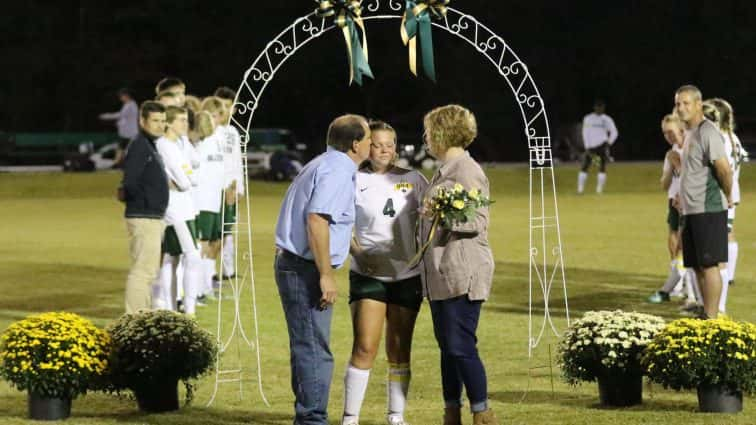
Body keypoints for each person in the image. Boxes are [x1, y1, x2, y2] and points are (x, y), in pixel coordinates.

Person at [274, 114, 371, 425]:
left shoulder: (323, 163)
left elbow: (333, 219)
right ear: (356, 144)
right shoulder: (337, 170)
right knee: (315, 349)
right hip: (305, 268)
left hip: (296, 264)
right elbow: (317, 219)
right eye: (368, 138)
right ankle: (312, 419)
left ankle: (308, 415)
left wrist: (356, 250)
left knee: (307, 346)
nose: (370, 144)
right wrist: (326, 274)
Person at [340, 121, 428, 425]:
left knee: (400, 348)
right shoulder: (352, 179)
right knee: (365, 346)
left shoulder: (415, 179)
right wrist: (359, 254)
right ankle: (350, 418)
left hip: (407, 275)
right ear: (365, 146)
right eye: (378, 144)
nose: (385, 150)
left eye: (390, 143)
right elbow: (340, 224)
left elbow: (431, 222)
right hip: (368, 275)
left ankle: (396, 416)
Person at [418, 105, 498, 425]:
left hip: (462, 272)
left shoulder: (466, 170)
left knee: (459, 344)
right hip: (441, 273)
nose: (425, 138)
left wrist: (439, 213)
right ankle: (452, 410)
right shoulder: (445, 169)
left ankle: (483, 413)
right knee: (447, 348)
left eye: (428, 132)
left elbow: (477, 219)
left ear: (441, 132)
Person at [675, 85, 732, 319]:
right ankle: (704, 310)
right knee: (697, 264)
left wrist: (728, 196)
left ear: (699, 104)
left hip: (707, 208)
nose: (681, 108)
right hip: (690, 209)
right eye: (678, 103)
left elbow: (724, 169)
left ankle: (712, 317)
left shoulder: (707, 131)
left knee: (709, 265)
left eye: (686, 103)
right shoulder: (689, 132)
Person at [119, 101, 169, 313]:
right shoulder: (140, 146)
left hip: (151, 215)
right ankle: (135, 316)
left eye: (163, 121)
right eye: (155, 121)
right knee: (142, 271)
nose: (160, 125)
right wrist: (147, 202)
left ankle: (142, 313)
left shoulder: (149, 145)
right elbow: (129, 181)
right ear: (142, 121)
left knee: (148, 270)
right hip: (145, 216)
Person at [153, 106, 202, 316]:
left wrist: (186, 178)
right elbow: (184, 181)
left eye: (186, 120)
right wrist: (185, 179)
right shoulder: (164, 145)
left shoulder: (181, 142)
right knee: (191, 255)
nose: (186, 124)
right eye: (181, 120)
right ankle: (187, 309)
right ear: (169, 123)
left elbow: (194, 165)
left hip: (187, 207)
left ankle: (173, 308)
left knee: (172, 257)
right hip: (173, 208)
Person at [647, 114, 686, 303]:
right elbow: (664, 183)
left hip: (691, 202)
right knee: (674, 239)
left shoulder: (691, 147)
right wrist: (670, 169)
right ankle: (676, 278)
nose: (668, 136)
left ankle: (681, 283)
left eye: (670, 131)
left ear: (681, 129)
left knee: (686, 242)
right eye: (664, 133)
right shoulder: (671, 152)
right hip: (674, 200)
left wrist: (677, 163)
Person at [194, 107, 225, 300]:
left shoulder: (202, 147)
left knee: (203, 246)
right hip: (211, 201)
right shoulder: (212, 145)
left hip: (205, 202)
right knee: (205, 246)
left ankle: (202, 289)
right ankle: (202, 289)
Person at [214, 87, 245, 280]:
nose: (225, 110)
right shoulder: (212, 132)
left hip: (231, 190)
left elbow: (237, 162)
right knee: (213, 234)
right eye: (221, 106)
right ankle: (209, 273)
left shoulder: (233, 132)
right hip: (217, 191)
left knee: (228, 230)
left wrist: (239, 187)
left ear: (234, 109)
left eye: (229, 106)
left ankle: (228, 270)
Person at [578, 99, 618, 194]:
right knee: (585, 166)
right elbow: (585, 133)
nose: (599, 109)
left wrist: (609, 143)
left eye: (601, 107)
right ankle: (580, 190)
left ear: (603, 108)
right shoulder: (588, 118)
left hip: (602, 146)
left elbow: (614, 132)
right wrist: (586, 146)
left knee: (602, 167)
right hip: (591, 148)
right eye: (598, 107)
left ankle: (599, 191)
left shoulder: (607, 119)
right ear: (594, 107)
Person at [99, 88, 139, 168]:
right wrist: (119, 123)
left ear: (126, 96)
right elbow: (125, 118)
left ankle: (123, 165)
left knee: (128, 151)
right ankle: (116, 165)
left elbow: (121, 115)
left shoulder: (131, 105)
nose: (120, 98)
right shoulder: (128, 105)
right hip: (126, 134)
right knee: (121, 149)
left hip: (130, 134)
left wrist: (106, 116)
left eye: (122, 96)